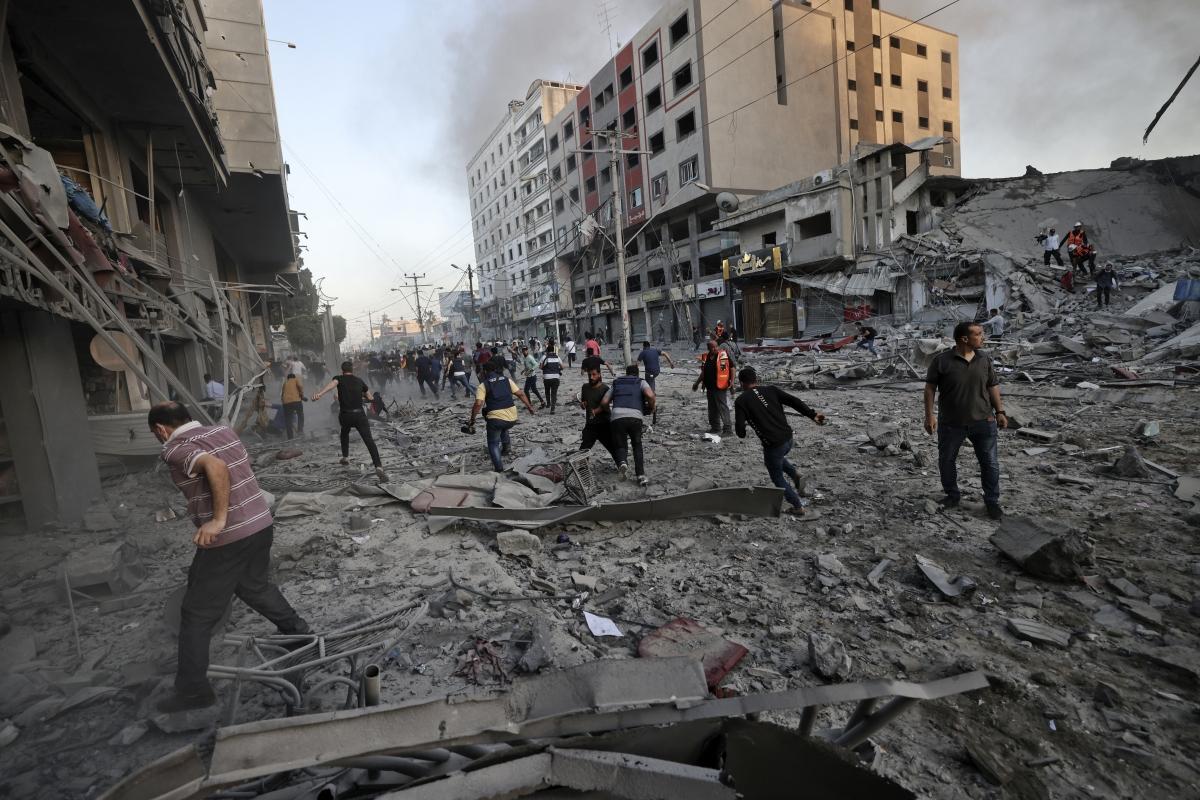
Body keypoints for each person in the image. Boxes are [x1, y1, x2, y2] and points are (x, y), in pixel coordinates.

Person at [148, 401, 310, 712]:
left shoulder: (174, 448)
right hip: (260, 523)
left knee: (195, 614)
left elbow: (216, 468)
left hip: (228, 538)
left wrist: (218, 520)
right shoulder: (222, 431)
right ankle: (298, 632)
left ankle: (193, 692)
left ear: (160, 429)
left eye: (157, 434)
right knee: (253, 586)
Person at [924, 321, 1007, 520]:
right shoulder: (942, 361)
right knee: (946, 460)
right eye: (978, 334)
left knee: (990, 463)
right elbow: (929, 389)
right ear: (964, 339)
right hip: (951, 423)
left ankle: (992, 501)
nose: (983, 337)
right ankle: (952, 495)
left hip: (984, 421)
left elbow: (992, 386)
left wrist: (1000, 411)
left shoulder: (984, 359)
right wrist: (929, 416)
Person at [734, 367, 827, 516]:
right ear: (756, 380)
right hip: (788, 439)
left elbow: (739, 430)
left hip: (773, 445)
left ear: (741, 383)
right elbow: (794, 401)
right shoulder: (771, 389)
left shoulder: (741, 401)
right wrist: (812, 414)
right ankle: (795, 474)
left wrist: (743, 429)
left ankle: (797, 506)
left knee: (777, 476)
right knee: (777, 459)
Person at [311, 361, 388, 480]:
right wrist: (362, 396)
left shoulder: (339, 379)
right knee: (369, 441)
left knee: (344, 433)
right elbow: (370, 398)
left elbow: (332, 385)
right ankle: (378, 466)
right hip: (359, 415)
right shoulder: (360, 381)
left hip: (346, 415)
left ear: (342, 370)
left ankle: (346, 457)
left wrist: (320, 394)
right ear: (352, 370)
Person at [468, 360, 537, 471]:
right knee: (503, 425)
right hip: (512, 418)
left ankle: (499, 470)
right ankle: (506, 449)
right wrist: (529, 407)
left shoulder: (483, 385)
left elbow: (478, 404)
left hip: (496, 420)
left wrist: (472, 419)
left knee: (493, 443)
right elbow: (521, 393)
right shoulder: (507, 380)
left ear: (485, 372)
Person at [601, 364, 655, 486]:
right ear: (637, 373)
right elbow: (650, 395)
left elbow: (604, 401)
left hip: (617, 416)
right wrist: (651, 408)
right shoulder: (641, 382)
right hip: (635, 417)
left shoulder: (616, 382)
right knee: (637, 445)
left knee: (620, 444)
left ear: (626, 373)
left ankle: (622, 462)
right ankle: (640, 475)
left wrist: (610, 413)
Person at [577, 365, 619, 465]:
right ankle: (583, 471)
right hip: (590, 424)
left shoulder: (605, 389)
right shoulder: (585, 387)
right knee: (583, 450)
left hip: (604, 424)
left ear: (599, 375)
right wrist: (583, 405)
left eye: (594, 375)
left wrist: (596, 411)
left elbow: (606, 405)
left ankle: (621, 466)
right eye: (589, 375)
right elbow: (584, 403)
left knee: (613, 448)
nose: (591, 377)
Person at [692, 339, 733, 435]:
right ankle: (715, 427)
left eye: (715, 346)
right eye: (712, 347)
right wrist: (697, 383)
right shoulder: (706, 357)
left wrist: (732, 382)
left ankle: (728, 429)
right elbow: (704, 372)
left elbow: (732, 368)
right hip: (710, 387)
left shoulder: (722, 356)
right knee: (712, 408)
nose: (714, 349)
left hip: (720, 386)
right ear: (708, 348)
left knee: (722, 407)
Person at [280, 372, 305, 439]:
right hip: (296, 401)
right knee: (300, 415)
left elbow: (282, 394)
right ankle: (300, 430)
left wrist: (284, 403)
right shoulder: (295, 379)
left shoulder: (285, 383)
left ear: (288, 378)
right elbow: (300, 386)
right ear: (293, 377)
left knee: (288, 420)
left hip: (286, 403)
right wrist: (302, 395)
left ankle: (290, 437)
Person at [540, 344, 563, 413]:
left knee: (547, 390)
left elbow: (541, 367)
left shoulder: (544, 357)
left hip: (547, 377)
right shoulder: (557, 357)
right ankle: (552, 408)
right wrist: (557, 368)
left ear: (547, 350)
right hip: (556, 377)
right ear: (553, 350)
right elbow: (562, 367)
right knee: (554, 393)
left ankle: (548, 404)